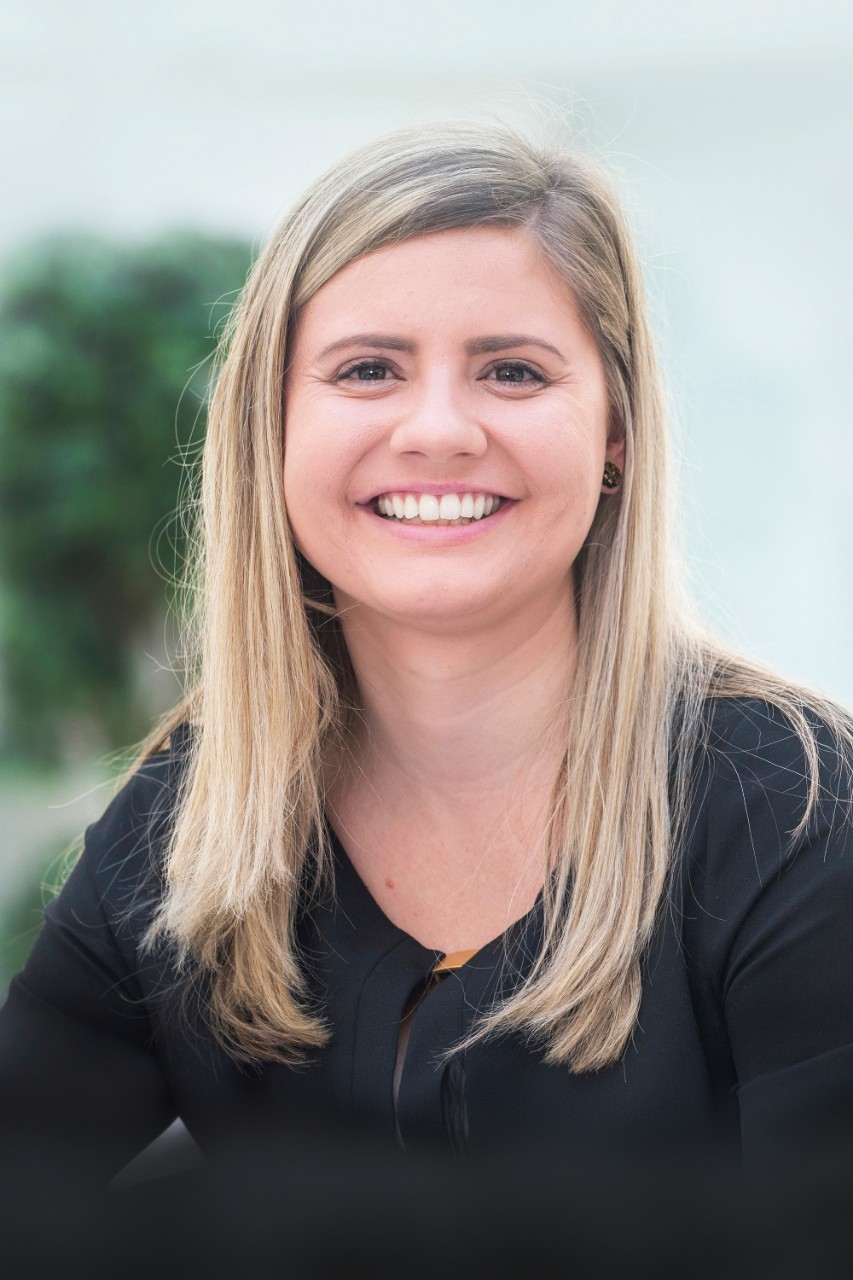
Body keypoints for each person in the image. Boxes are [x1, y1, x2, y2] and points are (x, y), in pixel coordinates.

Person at [1, 122, 852, 1265]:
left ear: (614, 432)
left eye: (512, 370)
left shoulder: (796, 805)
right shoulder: (188, 819)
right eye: (367, 369)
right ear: (272, 427)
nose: (439, 429)